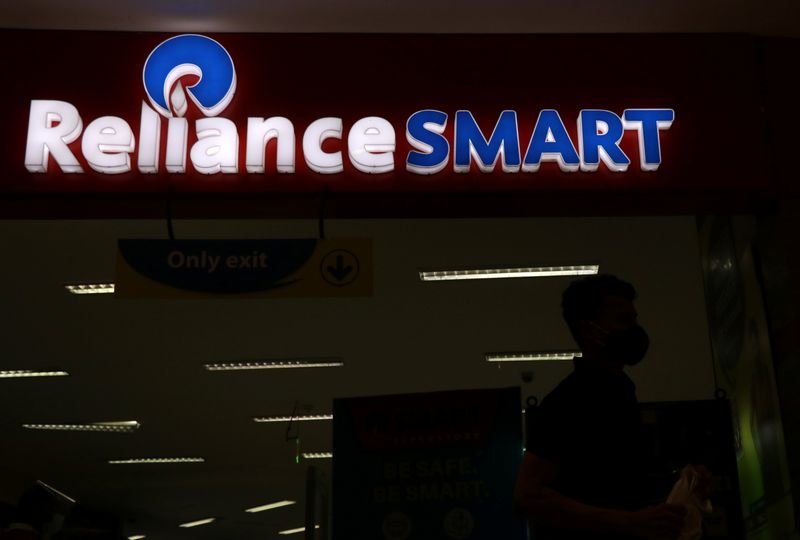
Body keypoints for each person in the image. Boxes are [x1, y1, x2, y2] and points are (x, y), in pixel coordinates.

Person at [513, 274, 688, 540]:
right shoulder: (568, 401)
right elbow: (527, 496)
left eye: (635, 319)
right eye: (624, 321)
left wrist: (683, 483)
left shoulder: (621, 392)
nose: (635, 330)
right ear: (590, 331)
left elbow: (620, 484)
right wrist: (628, 522)